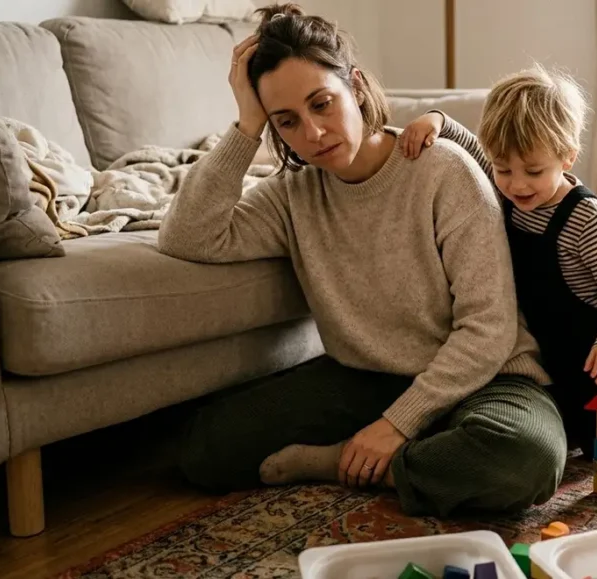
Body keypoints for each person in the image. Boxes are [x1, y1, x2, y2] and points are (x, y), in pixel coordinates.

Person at [157, 3, 567, 517]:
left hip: (486, 376)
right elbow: (187, 237)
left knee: (525, 459)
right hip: (366, 379)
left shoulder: (442, 170)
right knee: (206, 451)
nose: (313, 133)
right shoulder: (292, 194)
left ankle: (347, 463)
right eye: (287, 121)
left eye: (322, 103)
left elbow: (489, 328)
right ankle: (414, 458)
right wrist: (246, 125)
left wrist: (397, 425)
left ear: (354, 85)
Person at [400, 65, 597, 457]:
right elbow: (472, 150)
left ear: (567, 157)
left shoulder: (586, 220)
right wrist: (438, 121)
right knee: (558, 430)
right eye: (504, 169)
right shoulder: (510, 188)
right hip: (552, 353)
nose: (516, 184)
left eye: (534, 171)